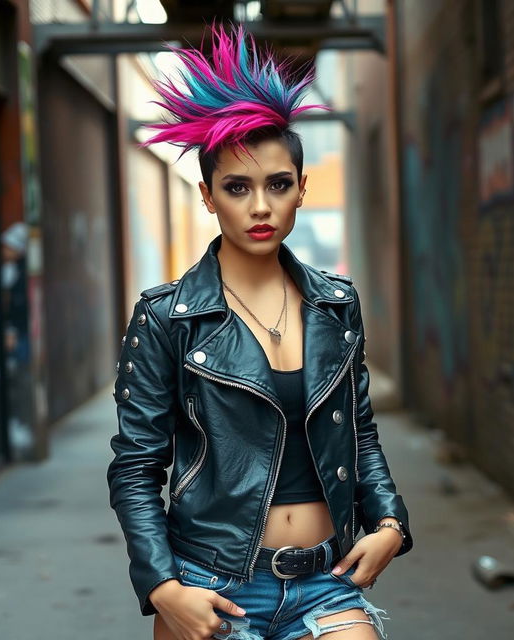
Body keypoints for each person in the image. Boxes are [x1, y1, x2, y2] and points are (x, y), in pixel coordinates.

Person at [107, 22, 413, 640]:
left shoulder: (334, 304)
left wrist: (390, 525)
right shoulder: (168, 316)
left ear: (301, 189)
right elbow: (136, 467)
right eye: (237, 187)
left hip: (328, 579)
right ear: (208, 196)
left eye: (277, 185)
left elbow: (361, 431)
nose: (260, 207)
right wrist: (164, 587)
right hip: (209, 585)